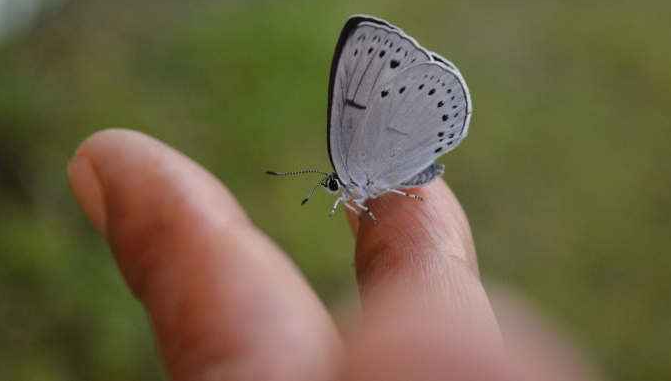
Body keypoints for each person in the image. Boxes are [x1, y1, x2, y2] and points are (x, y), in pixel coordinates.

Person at [67, 129, 601, 381]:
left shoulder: (353, 176)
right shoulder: (350, 185)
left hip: (407, 158)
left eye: (328, 187)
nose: (330, 190)